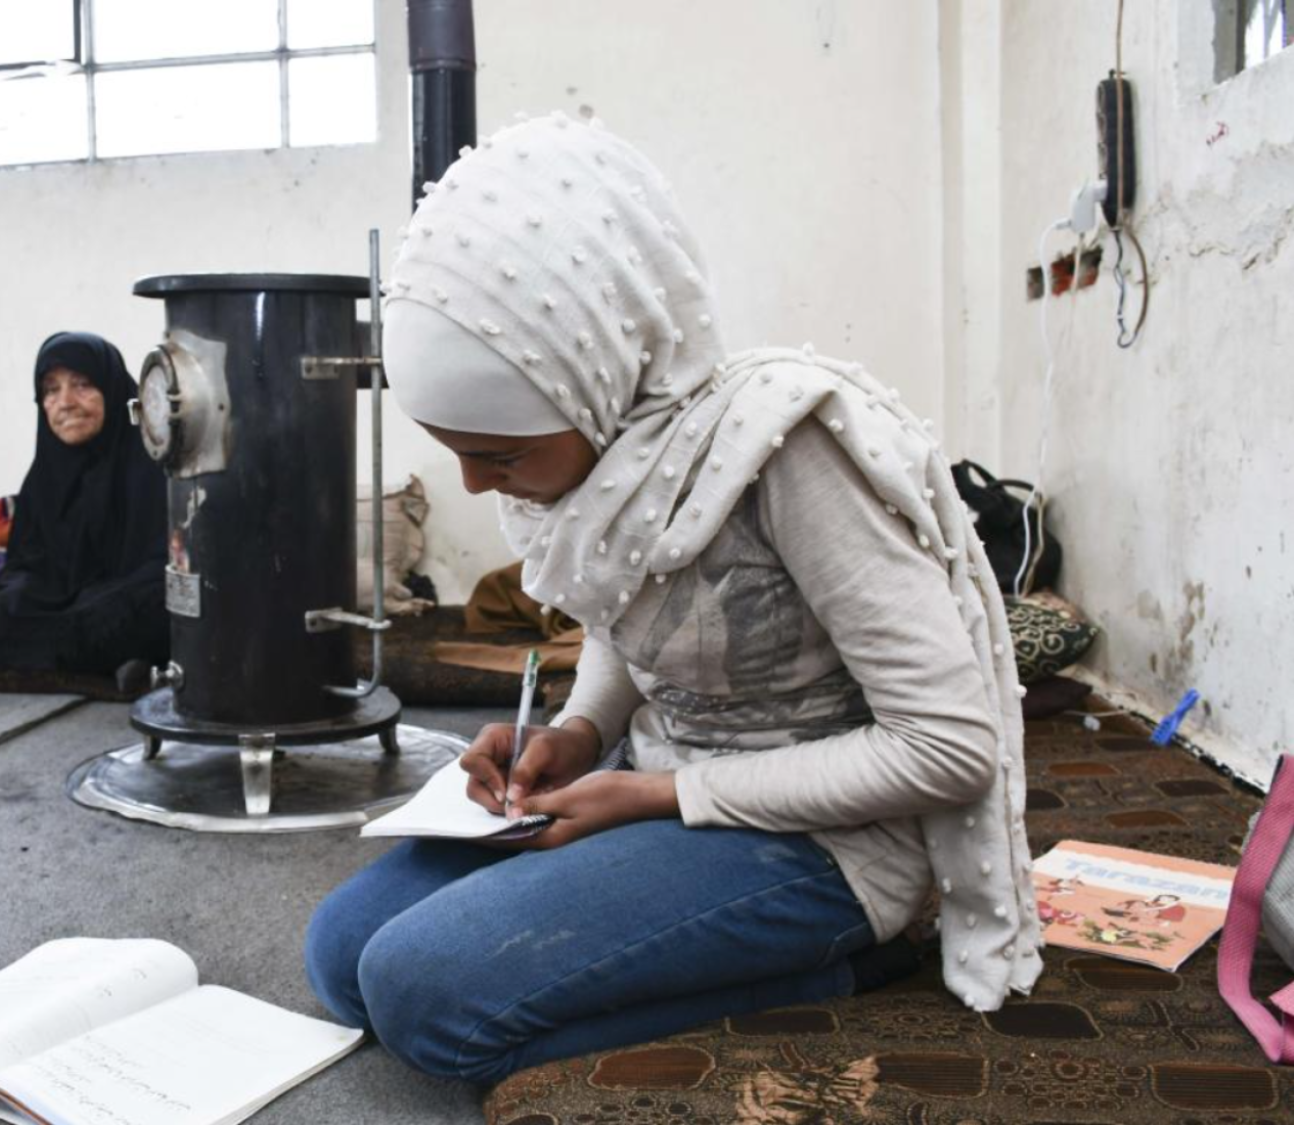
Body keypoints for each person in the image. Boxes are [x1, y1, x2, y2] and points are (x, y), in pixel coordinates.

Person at [303, 114, 1041, 1085]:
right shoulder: (605, 463)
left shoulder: (789, 454)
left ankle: (849, 968)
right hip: (658, 795)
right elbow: (631, 613)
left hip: (823, 842)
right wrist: (574, 731)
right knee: (340, 954)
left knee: (418, 997)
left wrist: (656, 791)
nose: (476, 489)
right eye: (455, 452)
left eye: (498, 455)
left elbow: (946, 749)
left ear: (600, 381)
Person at [0, 331, 171, 687]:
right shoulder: (44, 477)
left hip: (123, 595)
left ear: (114, 392)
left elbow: (164, 563)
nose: (65, 402)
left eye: (82, 384)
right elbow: (26, 563)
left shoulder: (151, 463)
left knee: (155, 607)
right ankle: (120, 663)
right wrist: (26, 590)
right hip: (61, 603)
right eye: (51, 390)